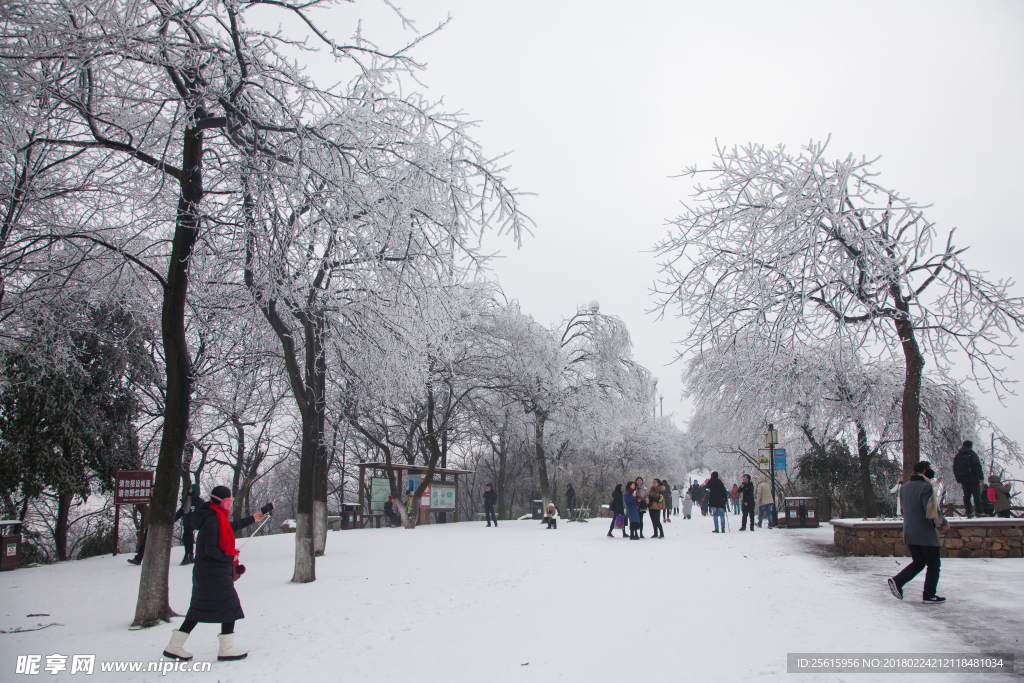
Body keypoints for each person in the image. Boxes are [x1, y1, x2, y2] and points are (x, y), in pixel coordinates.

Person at [163, 485, 268, 662]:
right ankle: (226, 649)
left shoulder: (214, 516)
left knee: (198, 610)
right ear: (225, 502)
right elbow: (211, 550)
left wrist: (253, 518)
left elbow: (229, 526)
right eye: (231, 498)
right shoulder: (213, 520)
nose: (232, 501)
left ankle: (174, 646)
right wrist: (230, 557)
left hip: (208, 574)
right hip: (213, 574)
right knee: (229, 606)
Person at [888, 462, 948, 603]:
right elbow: (930, 510)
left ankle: (898, 581)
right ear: (925, 471)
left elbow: (903, 511)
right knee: (933, 564)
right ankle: (929, 595)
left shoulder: (904, 488)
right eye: (931, 470)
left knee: (919, 562)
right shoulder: (926, 487)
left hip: (909, 531)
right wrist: (944, 522)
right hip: (925, 533)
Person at [952, 440, 984, 518]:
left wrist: (958, 479)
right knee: (976, 495)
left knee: (966, 496)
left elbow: (955, 468)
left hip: (963, 479)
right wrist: (981, 478)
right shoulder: (972, 454)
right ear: (971, 446)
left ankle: (968, 512)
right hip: (974, 478)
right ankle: (979, 511)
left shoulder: (958, 456)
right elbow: (977, 466)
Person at [174, 484, 202, 565]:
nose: (189, 490)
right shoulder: (187, 501)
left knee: (187, 537)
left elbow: (201, 513)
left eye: (191, 489)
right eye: (189, 489)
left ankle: (188, 555)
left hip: (192, 523)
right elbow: (181, 511)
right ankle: (190, 555)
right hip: (186, 522)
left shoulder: (199, 502)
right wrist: (173, 519)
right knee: (188, 538)